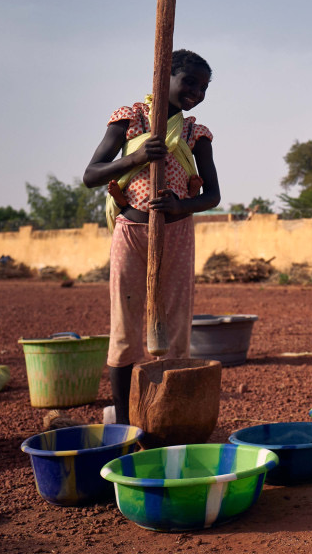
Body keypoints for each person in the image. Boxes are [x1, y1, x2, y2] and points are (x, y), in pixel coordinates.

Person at [83, 49, 219, 424]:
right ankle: (126, 423)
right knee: (125, 327)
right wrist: (136, 157)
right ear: (163, 77)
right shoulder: (130, 120)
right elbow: (91, 175)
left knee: (176, 326)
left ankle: (171, 416)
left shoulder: (194, 133)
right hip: (131, 232)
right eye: (189, 81)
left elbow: (213, 195)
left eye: (204, 87)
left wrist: (180, 207)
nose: (196, 92)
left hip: (176, 234)